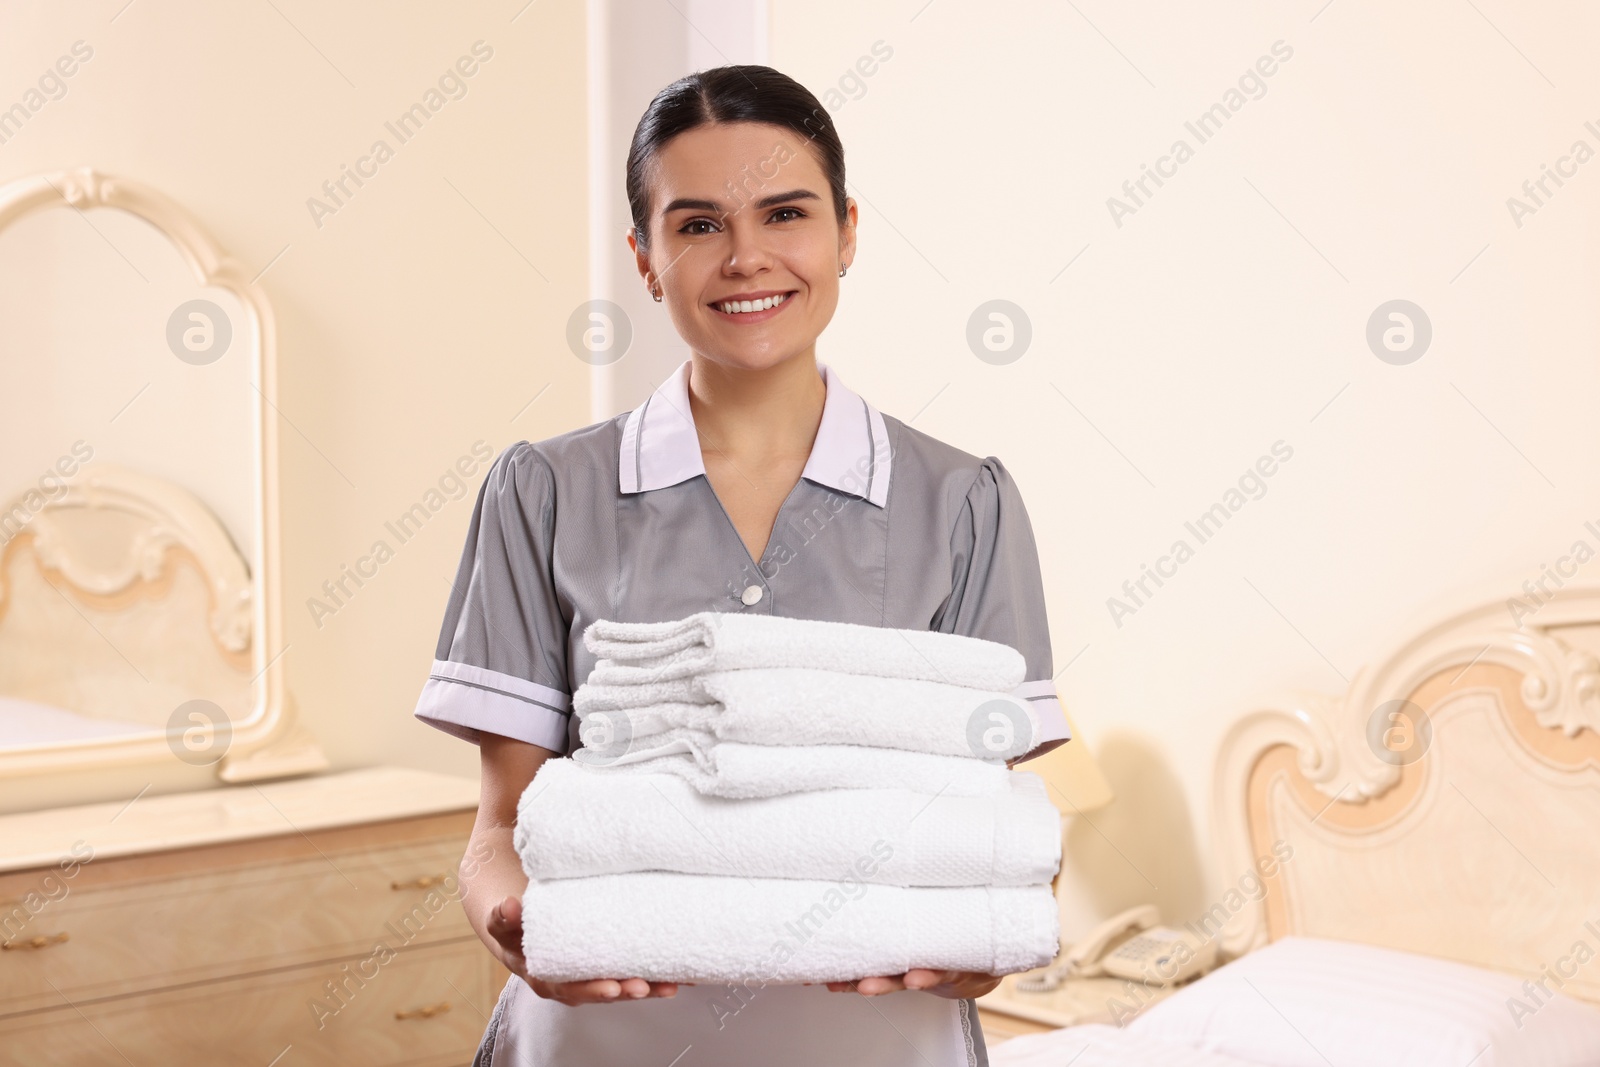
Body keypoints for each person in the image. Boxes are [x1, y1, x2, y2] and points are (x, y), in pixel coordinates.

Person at [412, 63, 1071, 1067]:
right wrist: (518, 923)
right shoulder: (543, 491)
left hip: (881, 1038)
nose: (746, 257)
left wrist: (988, 939)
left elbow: (991, 831)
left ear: (846, 231)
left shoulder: (962, 502)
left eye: (785, 213)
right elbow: (500, 827)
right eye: (698, 224)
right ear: (644, 256)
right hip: (600, 1035)